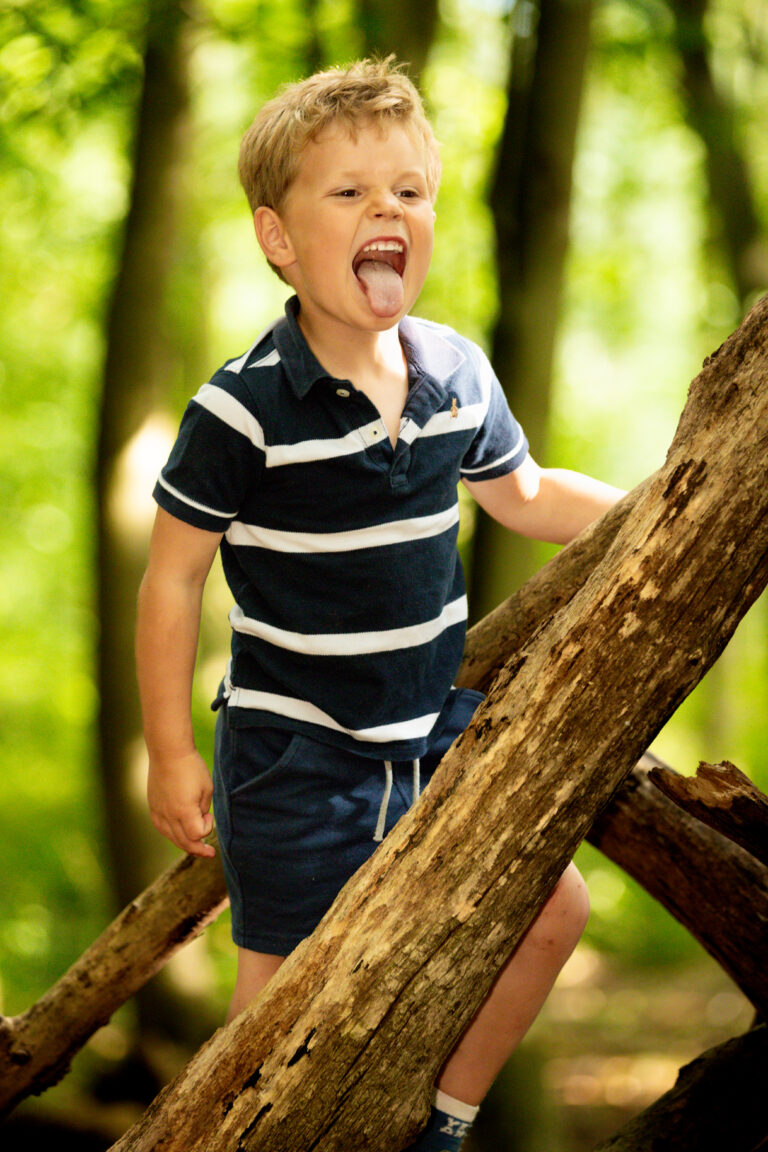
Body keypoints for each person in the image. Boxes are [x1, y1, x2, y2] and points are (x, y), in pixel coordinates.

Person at [136, 57, 624, 1151]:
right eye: (349, 193)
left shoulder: (455, 373)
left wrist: (663, 504)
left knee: (556, 913)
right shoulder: (243, 408)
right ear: (279, 239)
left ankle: (444, 1125)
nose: (386, 211)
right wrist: (171, 753)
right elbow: (171, 578)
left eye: (407, 190)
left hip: (427, 735)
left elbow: (529, 498)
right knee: (280, 993)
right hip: (295, 752)